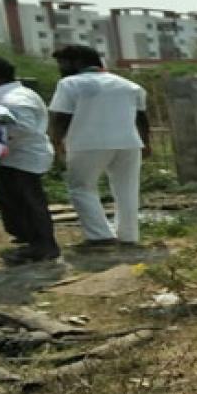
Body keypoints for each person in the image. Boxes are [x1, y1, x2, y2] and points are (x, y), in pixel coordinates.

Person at [48, 45, 150, 249]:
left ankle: (99, 236)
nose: (60, 68)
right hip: (128, 143)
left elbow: (61, 117)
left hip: (87, 143)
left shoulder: (69, 84)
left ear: (75, 62)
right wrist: (146, 143)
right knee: (127, 189)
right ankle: (128, 236)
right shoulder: (129, 85)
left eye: (62, 63)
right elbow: (142, 117)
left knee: (81, 187)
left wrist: (56, 141)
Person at [0, 57, 60, 266]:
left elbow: (23, 128)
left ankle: (44, 246)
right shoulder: (3, 96)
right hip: (10, 159)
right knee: (15, 203)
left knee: (29, 203)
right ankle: (34, 244)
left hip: (21, 158)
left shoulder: (14, 99)